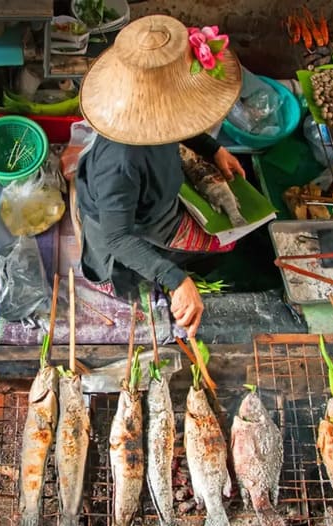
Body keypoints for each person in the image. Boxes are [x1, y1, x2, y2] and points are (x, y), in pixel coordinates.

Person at [74, 14, 244, 337]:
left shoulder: (159, 121)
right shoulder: (120, 163)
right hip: (127, 227)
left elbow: (180, 123)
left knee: (229, 236)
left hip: (158, 196)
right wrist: (176, 279)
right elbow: (117, 238)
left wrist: (213, 149)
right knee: (219, 247)